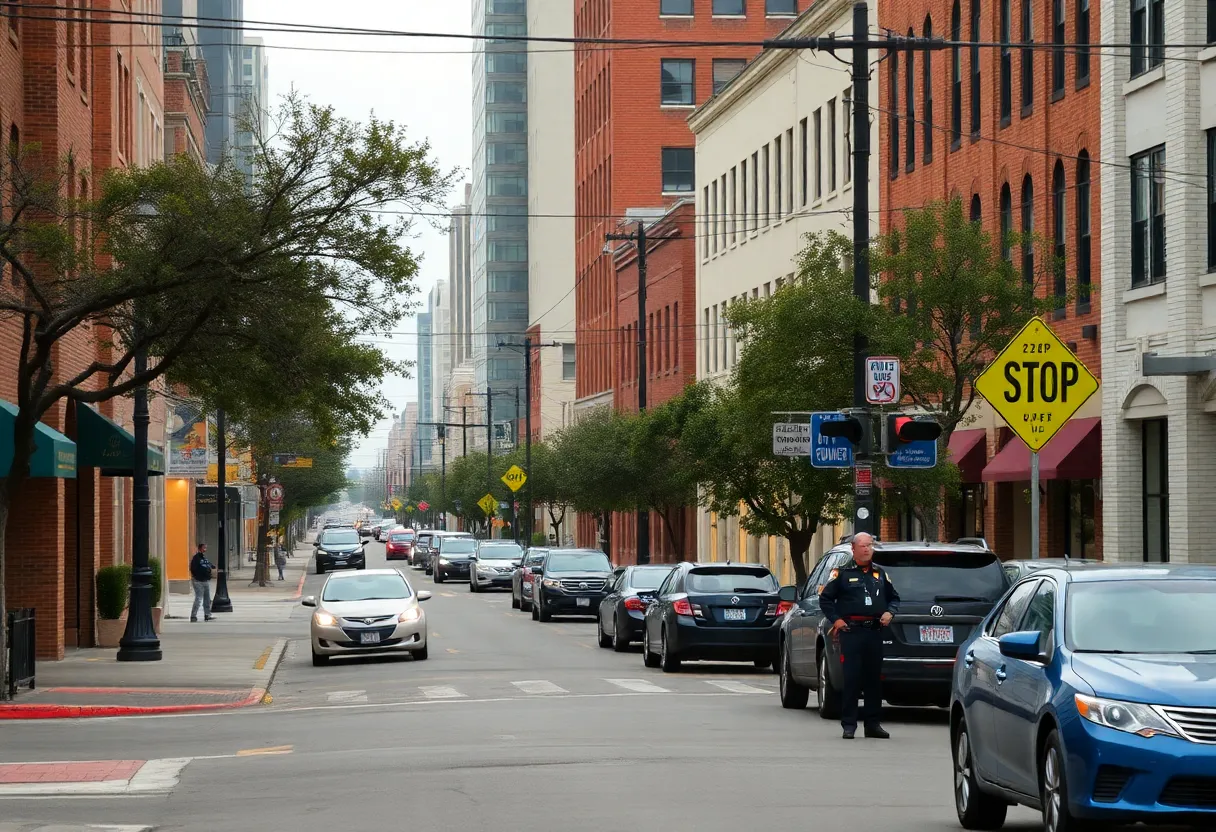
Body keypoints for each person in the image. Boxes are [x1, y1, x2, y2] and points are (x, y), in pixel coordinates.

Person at [819, 532, 900, 740]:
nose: (867, 549)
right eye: (863, 546)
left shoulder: (880, 574)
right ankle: (849, 725)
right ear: (854, 549)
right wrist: (836, 619)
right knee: (852, 679)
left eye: (870, 546)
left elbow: (894, 598)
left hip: (874, 632)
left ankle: (873, 724)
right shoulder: (843, 574)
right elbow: (826, 599)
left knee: (874, 680)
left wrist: (890, 612)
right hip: (852, 632)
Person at [189, 543, 215, 622]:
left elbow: (209, 565)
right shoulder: (196, 558)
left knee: (207, 598)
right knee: (198, 598)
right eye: (204, 548)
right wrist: (197, 576)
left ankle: (207, 614)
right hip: (198, 581)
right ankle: (193, 615)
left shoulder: (204, 558)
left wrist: (211, 567)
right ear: (200, 548)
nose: (205, 549)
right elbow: (193, 568)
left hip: (205, 580)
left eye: (206, 548)